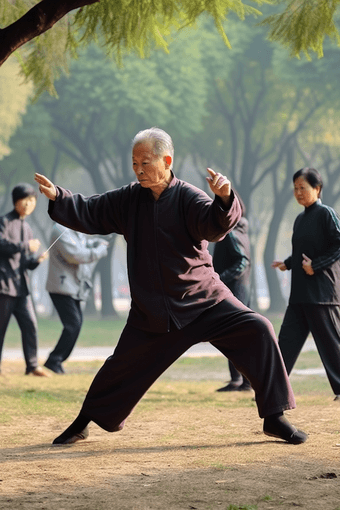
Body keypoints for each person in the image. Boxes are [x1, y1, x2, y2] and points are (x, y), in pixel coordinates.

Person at [35, 127, 307, 446]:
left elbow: (214, 225)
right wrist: (60, 196)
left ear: (166, 160)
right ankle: (83, 422)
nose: (138, 170)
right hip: (152, 311)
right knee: (119, 367)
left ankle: (274, 417)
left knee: (258, 328)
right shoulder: (128, 199)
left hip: (204, 300)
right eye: (135, 163)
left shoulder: (188, 196)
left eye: (145, 163)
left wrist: (224, 199)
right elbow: (93, 210)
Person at [272, 167, 340, 400]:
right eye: (296, 188)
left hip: (322, 294)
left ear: (317, 189)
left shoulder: (326, 214)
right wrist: (288, 263)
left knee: (332, 348)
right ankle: (274, 390)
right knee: (285, 344)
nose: (298, 192)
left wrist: (317, 265)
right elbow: (302, 252)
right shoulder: (300, 219)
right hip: (300, 294)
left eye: (303, 188)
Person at [43, 223, 109, 374]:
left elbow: (82, 245)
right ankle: (54, 359)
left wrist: (97, 242)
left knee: (75, 325)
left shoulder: (73, 230)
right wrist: (99, 250)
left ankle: (56, 360)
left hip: (73, 286)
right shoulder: (60, 230)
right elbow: (76, 256)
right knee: (73, 325)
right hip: (61, 286)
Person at [0, 183, 49, 376]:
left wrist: (37, 260)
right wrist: (25, 245)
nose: (29, 204)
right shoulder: (4, 222)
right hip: (4, 286)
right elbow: (2, 245)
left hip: (21, 288)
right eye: (25, 200)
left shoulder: (27, 227)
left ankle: (32, 365)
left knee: (31, 326)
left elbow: (26, 263)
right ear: (16, 202)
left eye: (32, 201)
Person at [213, 192, 252, 392]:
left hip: (234, 291)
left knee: (235, 337)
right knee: (232, 336)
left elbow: (242, 261)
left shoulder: (232, 233)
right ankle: (238, 380)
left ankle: (244, 381)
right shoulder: (239, 230)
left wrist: (219, 278)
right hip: (238, 290)